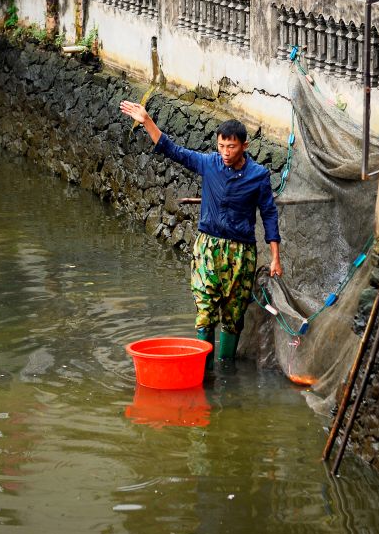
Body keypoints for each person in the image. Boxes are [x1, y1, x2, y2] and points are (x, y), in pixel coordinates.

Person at [119, 100, 283, 363]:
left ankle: (226, 370)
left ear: (244, 146)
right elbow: (174, 150)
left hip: (241, 253)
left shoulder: (259, 176)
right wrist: (147, 121)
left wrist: (275, 256)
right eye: (221, 146)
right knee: (205, 312)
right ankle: (203, 370)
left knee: (233, 316)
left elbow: (269, 213)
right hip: (207, 248)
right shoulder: (209, 164)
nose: (225, 152)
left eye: (231, 146)